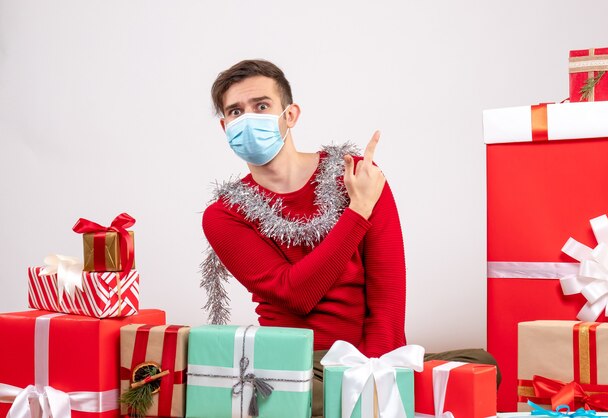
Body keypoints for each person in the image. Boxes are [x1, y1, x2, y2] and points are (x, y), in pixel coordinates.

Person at [202, 59, 498, 417]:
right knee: (301, 395)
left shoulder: (357, 177)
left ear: (290, 115)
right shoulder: (223, 216)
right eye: (236, 111)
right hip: (299, 364)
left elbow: (387, 291)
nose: (248, 119)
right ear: (224, 126)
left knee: (481, 366)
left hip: (373, 353)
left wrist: (375, 372)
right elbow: (296, 294)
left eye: (262, 106)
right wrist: (357, 213)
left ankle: (362, 396)